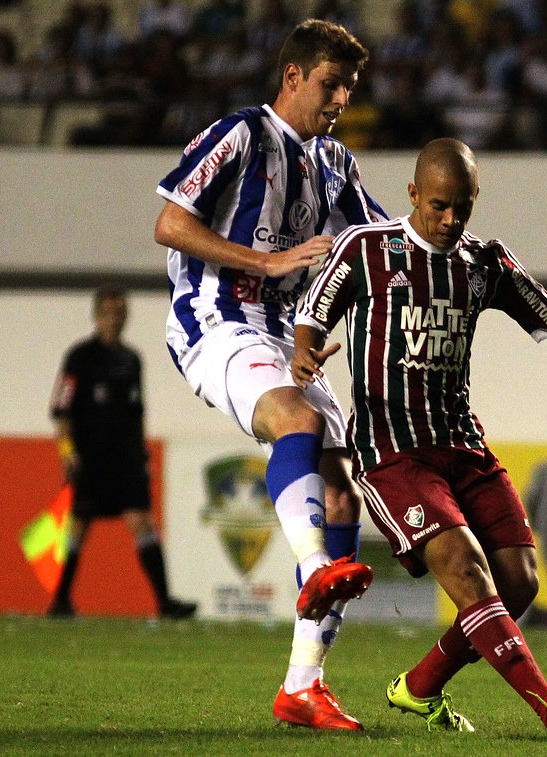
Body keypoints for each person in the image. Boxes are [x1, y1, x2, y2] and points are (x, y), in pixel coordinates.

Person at [292, 137, 547, 739]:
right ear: (412, 194)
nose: (449, 220)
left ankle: (419, 687)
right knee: (467, 571)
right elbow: (312, 314)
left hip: (464, 445)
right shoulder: (367, 249)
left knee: (518, 584)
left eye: (461, 207)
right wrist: (305, 357)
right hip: (394, 453)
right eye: (438, 205)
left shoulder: (484, 262)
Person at [152, 19, 386, 731]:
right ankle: (314, 564)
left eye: (348, 87)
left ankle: (302, 686)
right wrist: (267, 261)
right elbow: (169, 223)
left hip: (288, 336)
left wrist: (321, 326)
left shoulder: (336, 162)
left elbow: (374, 251)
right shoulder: (242, 136)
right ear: (293, 77)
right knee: (298, 419)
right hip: (216, 318)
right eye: (329, 84)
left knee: (344, 488)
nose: (340, 98)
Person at [48, 287, 197, 620]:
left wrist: (142, 454)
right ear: (96, 315)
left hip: (125, 459)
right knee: (79, 525)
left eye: (121, 312)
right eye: (109, 312)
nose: (115, 319)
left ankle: (164, 602)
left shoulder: (131, 360)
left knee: (142, 521)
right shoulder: (80, 358)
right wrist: (67, 451)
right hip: (90, 457)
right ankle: (59, 600)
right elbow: (61, 409)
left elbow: (138, 412)